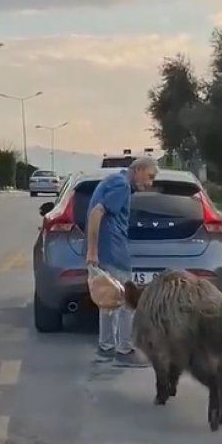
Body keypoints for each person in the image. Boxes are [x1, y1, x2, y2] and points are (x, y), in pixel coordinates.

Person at [85, 157, 158, 367]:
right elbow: (97, 212)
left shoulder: (114, 181)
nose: (150, 183)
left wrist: (93, 250)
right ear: (139, 170)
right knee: (127, 301)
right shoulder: (122, 186)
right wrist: (92, 250)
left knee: (108, 299)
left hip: (107, 251)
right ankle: (124, 349)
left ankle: (106, 346)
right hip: (114, 251)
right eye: (150, 176)